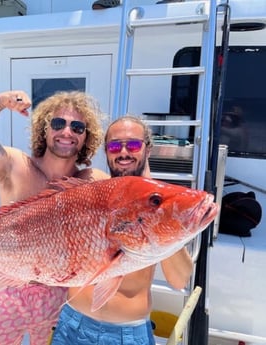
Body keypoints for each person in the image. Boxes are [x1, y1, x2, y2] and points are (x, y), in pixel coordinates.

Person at [0, 90, 109, 345]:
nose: (67, 132)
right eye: (58, 123)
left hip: (62, 295)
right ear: (44, 129)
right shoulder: (14, 165)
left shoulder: (93, 182)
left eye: (77, 127)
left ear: (86, 137)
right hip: (6, 290)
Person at [51, 115, 194, 345]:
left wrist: (155, 209)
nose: (124, 152)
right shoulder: (92, 192)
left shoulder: (163, 202)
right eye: (115, 145)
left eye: (134, 145)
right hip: (72, 325)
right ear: (107, 152)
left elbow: (179, 280)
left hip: (126, 335)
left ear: (148, 150)